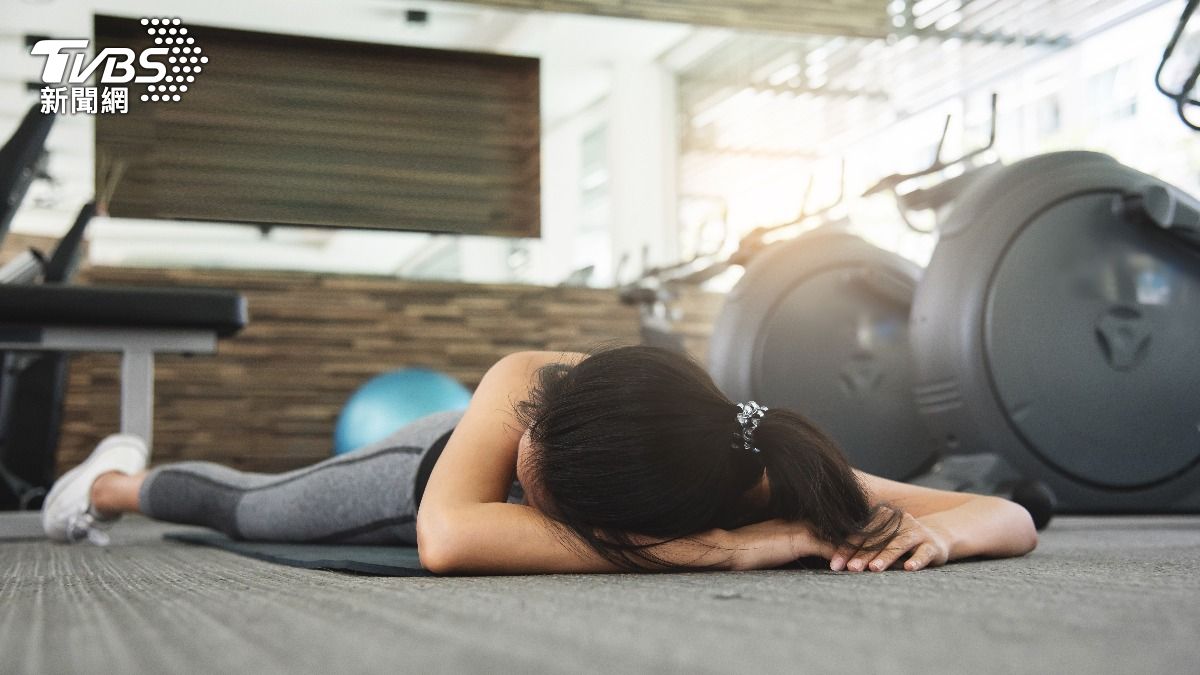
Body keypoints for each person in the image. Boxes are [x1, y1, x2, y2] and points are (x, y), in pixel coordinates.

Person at [42, 345, 1038, 574]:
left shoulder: (753, 466)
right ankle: (114, 479)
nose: (526, 457)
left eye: (541, 483)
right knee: (250, 508)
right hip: (417, 476)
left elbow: (1003, 516)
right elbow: (449, 539)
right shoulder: (531, 381)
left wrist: (936, 542)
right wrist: (726, 551)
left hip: (662, 506)